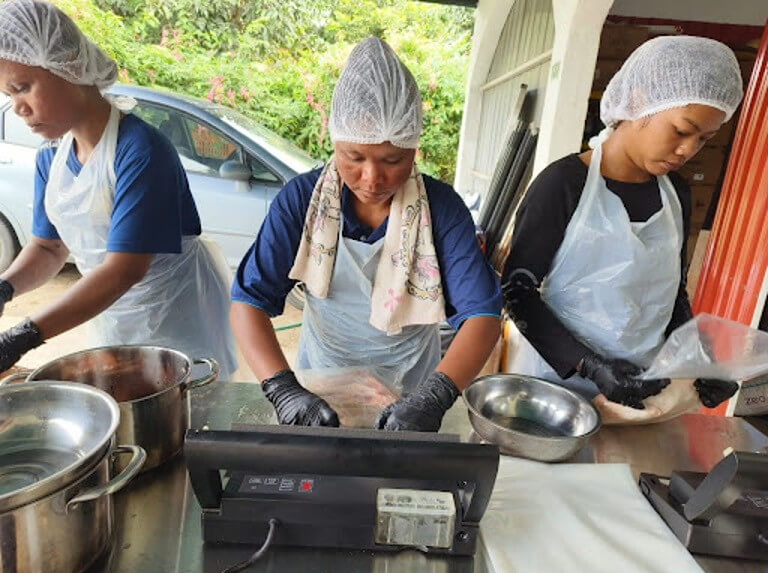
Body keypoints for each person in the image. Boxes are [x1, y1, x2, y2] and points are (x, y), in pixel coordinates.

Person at [231, 37, 501, 431]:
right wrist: (283, 389)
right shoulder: (303, 202)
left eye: (392, 160)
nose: (372, 179)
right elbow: (248, 301)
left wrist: (434, 396)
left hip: (410, 393)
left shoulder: (440, 210)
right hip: (318, 388)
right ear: (334, 141)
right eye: (353, 157)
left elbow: (482, 316)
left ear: (413, 148)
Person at [501, 36, 742, 410]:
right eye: (681, 130)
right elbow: (518, 290)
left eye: (704, 140)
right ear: (641, 100)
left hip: (640, 392)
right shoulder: (563, 184)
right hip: (554, 389)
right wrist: (589, 365)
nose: (688, 150)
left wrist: (700, 359)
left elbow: (672, 293)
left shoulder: (675, 194)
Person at [0, 0, 236, 377]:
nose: (18, 108)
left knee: (180, 413)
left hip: (175, 321)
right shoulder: (51, 156)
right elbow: (48, 247)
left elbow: (124, 270)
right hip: (110, 315)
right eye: (10, 96)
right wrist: (5, 288)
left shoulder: (141, 150)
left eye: (23, 88)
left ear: (68, 68)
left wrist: (24, 335)